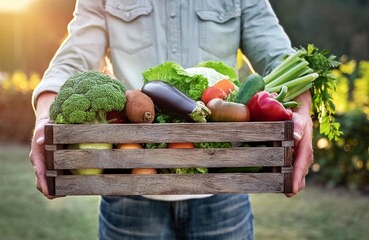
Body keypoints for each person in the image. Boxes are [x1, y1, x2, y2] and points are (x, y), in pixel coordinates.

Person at [29, 0, 314, 239]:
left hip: (223, 185)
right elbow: (74, 57)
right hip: (128, 187)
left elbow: (277, 54)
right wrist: (44, 117)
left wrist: (302, 114)